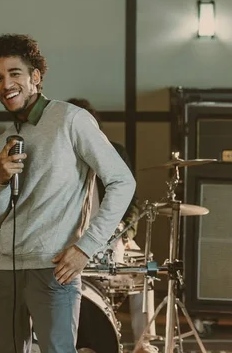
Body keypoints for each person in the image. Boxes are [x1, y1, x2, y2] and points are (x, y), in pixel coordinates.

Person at [0, 33, 136, 353]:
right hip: (8, 268)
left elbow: (123, 181)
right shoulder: (6, 136)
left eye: (14, 74)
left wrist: (85, 247)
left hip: (53, 268)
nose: (5, 84)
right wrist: (0, 178)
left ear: (35, 77)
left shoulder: (71, 119)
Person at [67, 97, 159, 353]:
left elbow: (132, 202)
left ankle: (145, 342)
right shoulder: (62, 159)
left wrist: (125, 232)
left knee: (145, 263)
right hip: (72, 239)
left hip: (111, 235)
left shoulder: (115, 153)